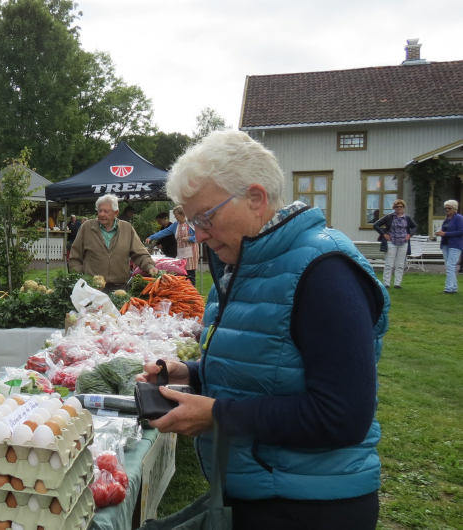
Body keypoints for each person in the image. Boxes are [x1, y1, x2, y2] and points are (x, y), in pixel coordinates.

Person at [138, 131, 387, 530]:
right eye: (191, 220)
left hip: (310, 508)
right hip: (262, 492)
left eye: (205, 217)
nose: (197, 234)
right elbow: (269, 362)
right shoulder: (243, 261)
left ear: (255, 198)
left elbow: (343, 416)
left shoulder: (325, 272)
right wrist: (195, 373)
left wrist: (219, 415)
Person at [68, 194, 156, 292]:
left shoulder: (126, 228)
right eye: (100, 211)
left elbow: (139, 253)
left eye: (106, 211)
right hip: (92, 287)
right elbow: (74, 257)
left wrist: (149, 266)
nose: (102, 214)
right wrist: (81, 277)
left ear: (116, 213)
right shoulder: (87, 228)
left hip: (119, 288)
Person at [146, 206, 198, 285]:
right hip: (181, 253)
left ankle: (192, 290)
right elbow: (164, 232)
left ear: (182, 215)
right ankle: (184, 290)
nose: (175, 217)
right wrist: (151, 237)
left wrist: (189, 239)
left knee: (190, 273)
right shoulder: (175, 225)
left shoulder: (191, 224)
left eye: (176, 215)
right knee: (182, 273)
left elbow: (198, 236)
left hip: (191, 253)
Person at [373, 199, 417, 289]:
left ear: (403, 207)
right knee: (389, 263)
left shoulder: (407, 218)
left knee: (400, 264)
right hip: (391, 242)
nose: (399, 208)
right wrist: (384, 234)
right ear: (394, 208)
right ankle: (386, 283)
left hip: (403, 242)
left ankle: (397, 284)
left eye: (401, 207)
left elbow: (415, 226)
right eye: (397, 207)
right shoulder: (389, 217)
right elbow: (376, 225)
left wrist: (410, 234)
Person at [435, 199, 462, 294]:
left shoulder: (459, 218)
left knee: (451, 265)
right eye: (446, 208)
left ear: (455, 208)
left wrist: (445, 233)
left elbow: (461, 231)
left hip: (455, 245)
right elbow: (444, 231)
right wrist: (440, 233)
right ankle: (453, 287)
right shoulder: (447, 219)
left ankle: (448, 288)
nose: (447, 210)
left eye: (449, 208)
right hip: (446, 244)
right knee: (449, 267)